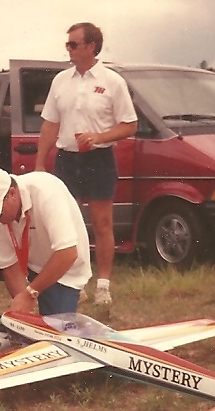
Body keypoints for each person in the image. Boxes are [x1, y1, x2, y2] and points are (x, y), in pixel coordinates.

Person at [34, 22, 137, 306]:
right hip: (67, 159)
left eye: (73, 44)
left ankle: (103, 285)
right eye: (67, 44)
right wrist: (40, 163)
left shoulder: (112, 81)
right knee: (67, 223)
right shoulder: (60, 81)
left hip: (99, 158)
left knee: (102, 223)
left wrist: (99, 137)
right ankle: (75, 283)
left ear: (91, 47)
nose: (68, 49)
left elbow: (130, 124)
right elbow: (50, 124)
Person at [0, 166, 92, 359]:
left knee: (55, 347)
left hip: (64, 268)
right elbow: (8, 265)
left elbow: (67, 253)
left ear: (12, 194)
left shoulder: (47, 192)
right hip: (26, 260)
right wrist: (23, 319)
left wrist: (30, 292)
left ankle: (62, 311)